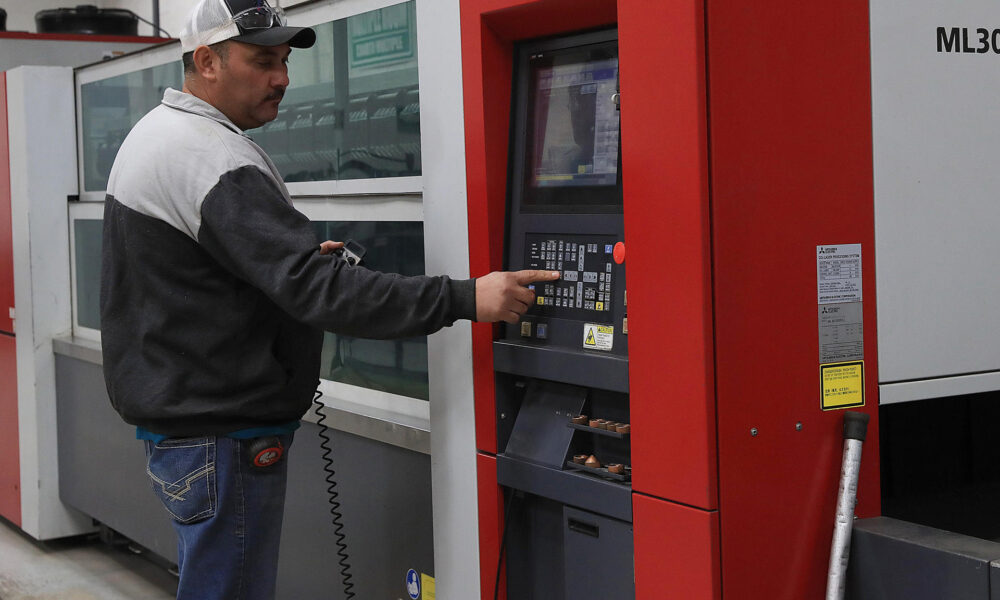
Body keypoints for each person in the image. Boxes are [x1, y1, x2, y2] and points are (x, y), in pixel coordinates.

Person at [98, 1, 558, 598]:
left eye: (284, 61)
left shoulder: (160, 134)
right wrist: (469, 298)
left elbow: (195, 274)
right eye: (264, 61)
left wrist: (285, 265)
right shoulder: (209, 156)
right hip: (223, 435)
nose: (282, 78)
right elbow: (323, 294)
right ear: (206, 61)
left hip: (191, 426)